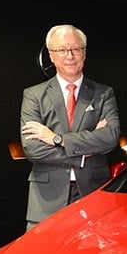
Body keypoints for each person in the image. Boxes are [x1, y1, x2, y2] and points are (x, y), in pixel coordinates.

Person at [20, 24, 120, 230]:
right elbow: (33, 148)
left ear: (84, 53)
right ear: (51, 55)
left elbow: (110, 137)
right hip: (47, 199)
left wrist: (57, 139)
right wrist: (84, 152)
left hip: (94, 193)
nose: (70, 56)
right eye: (62, 50)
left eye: (76, 49)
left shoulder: (103, 93)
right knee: (43, 250)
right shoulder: (33, 95)